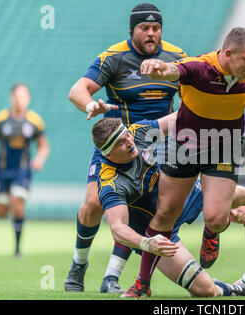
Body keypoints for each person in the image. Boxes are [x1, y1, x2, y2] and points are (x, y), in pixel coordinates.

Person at [125, 26, 245, 297]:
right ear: (228, 54)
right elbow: (173, 70)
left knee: (216, 219)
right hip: (184, 145)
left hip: (225, 147)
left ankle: (211, 232)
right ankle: (142, 283)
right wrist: (158, 66)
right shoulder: (199, 67)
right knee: (166, 213)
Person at [90, 114, 245, 297]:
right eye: (119, 142)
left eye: (125, 134)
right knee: (204, 291)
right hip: (157, 233)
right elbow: (118, 229)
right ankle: (231, 289)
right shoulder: (111, 182)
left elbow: (175, 119)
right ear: (107, 154)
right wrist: (147, 244)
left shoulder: (138, 132)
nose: (128, 142)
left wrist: (202, 109)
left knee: (219, 200)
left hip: (179, 198)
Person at [64, 3, 187, 293]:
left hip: (156, 144)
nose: (151, 34)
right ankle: (79, 264)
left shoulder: (177, 57)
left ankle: (112, 278)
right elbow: (77, 90)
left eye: (156, 28)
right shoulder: (114, 57)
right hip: (119, 142)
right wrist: (90, 104)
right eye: (144, 28)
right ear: (132, 30)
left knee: (141, 210)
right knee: (94, 203)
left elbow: (194, 93)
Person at [0, 83, 49, 257]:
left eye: (24, 96)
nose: (20, 100)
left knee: (17, 202)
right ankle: (9, 204)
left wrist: (39, 159)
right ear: (12, 98)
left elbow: (43, 145)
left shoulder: (34, 120)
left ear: (28, 99)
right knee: (1, 212)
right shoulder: (0, 119)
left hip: (22, 170)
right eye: (17, 96)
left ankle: (17, 249)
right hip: (2, 171)